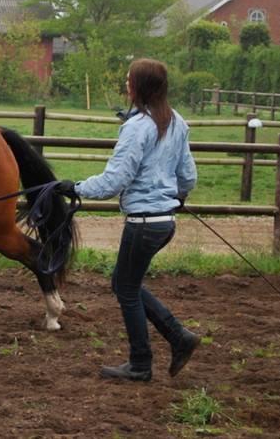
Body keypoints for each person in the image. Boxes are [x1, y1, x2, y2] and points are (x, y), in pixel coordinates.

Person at [56, 58, 200, 382]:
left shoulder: (137, 127)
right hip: (164, 222)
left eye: (128, 81)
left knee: (125, 288)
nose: (125, 86)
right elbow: (188, 176)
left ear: (138, 87)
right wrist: (177, 195)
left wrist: (74, 188)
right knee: (125, 284)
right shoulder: (176, 121)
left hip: (145, 223)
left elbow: (115, 180)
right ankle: (177, 338)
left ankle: (141, 363)